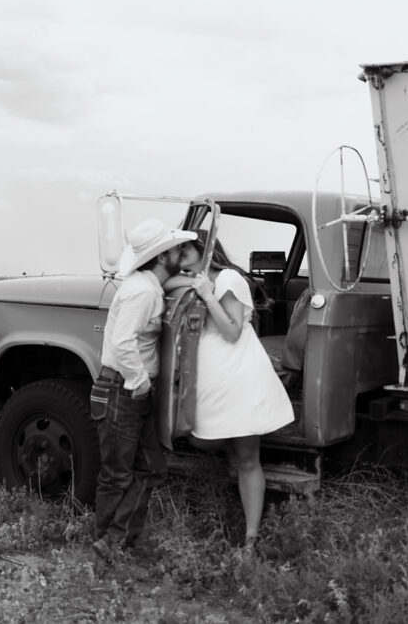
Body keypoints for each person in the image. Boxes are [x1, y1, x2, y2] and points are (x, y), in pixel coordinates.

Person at [165, 230, 295, 552]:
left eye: (186, 246)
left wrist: (209, 296)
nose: (180, 251)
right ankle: (225, 516)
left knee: (248, 458)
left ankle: (251, 538)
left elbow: (233, 331)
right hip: (215, 378)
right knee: (202, 439)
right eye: (177, 247)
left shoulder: (227, 279)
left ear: (204, 247)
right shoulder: (195, 278)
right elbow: (166, 286)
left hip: (238, 375)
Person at [91, 218, 197, 563]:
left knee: (149, 466)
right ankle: (108, 543)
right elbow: (123, 342)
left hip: (128, 388)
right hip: (124, 388)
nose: (182, 252)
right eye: (176, 248)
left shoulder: (148, 285)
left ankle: (117, 539)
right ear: (163, 255)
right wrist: (139, 382)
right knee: (119, 472)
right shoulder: (142, 291)